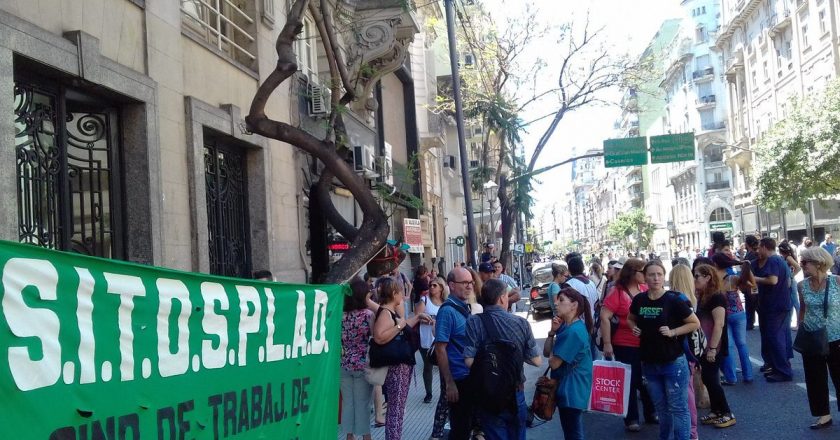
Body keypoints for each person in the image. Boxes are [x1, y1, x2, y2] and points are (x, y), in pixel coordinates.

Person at [628, 260, 701, 440]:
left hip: (673, 362)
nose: (656, 278)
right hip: (650, 363)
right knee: (662, 408)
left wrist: (673, 331)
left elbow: (694, 323)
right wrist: (633, 327)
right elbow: (631, 318)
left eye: (659, 274)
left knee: (678, 408)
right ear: (645, 277)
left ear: (664, 276)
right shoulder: (639, 299)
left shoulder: (673, 300)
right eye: (652, 275)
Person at [464, 279, 542, 439]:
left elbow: (468, 361)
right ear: (501, 298)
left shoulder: (474, 322)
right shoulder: (521, 323)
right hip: (515, 392)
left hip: (489, 394)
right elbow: (537, 361)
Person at [600, 257, 655, 431]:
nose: (646, 275)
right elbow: (604, 316)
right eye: (643, 272)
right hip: (624, 343)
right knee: (629, 381)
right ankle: (631, 418)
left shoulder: (645, 289)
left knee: (646, 380)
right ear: (633, 273)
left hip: (645, 343)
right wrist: (607, 343)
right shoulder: (617, 291)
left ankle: (651, 412)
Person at [371, 278, 428, 440]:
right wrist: (399, 326)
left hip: (399, 364)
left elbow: (400, 325)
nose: (403, 296)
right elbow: (379, 337)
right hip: (396, 366)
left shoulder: (389, 312)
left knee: (397, 407)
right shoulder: (385, 313)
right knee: (396, 408)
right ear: (394, 293)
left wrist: (417, 318)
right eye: (401, 292)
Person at [797, 247, 840, 430]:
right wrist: (801, 329)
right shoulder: (802, 285)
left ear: (818, 263)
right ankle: (824, 415)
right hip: (812, 339)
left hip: (836, 338)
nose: (801, 265)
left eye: (805, 262)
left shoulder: (837, 282)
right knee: (815, 379)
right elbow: (803, 310)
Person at [544, 287, 594, 440]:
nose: (556, 304)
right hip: (570, 388)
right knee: (571, 431)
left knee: (573, 433)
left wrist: (554, 344)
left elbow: (553, 363)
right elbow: (547, 352)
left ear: (574, 305)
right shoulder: (567, 326)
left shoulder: (573, 332)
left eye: (561, 300)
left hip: (571, 389)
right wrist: (552, 332)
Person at [692, 263, 737, 428]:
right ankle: (716, 411)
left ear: (707, 277)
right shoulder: (702, 296)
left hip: (713, 347)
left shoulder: (717, 297)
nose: (694, 279)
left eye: (697, 276)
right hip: (704, 346)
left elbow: (719, 324)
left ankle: (727, 413)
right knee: (707, 379)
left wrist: (712, 348)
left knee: (712, 379)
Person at [434, 267, 476, 440]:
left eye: (471, 282)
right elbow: (440, 348)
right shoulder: (447, 311)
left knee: (467, 427)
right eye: (465, 283)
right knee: (460, 429)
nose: (469, 286)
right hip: (458, 380)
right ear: (451, 285)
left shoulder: (464, 307)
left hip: (469, 377)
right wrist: (449, 383)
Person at [752, 237, 794, 382]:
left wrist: (755, 279)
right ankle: (778, 367)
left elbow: (773, 280)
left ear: (764, 247)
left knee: (776, 338)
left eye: (759, 247)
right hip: (778, 304)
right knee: (777, 337)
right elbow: (787, 281)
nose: (758, 250)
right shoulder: (779, 260)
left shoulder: (773, 260)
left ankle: (783, 371)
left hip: (775, 305)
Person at [711, 250, 755, 386]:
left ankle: (731, 378)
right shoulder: (733, 278)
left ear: (715, 264)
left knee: (728, 346)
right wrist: (745, 266)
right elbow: (751, 284)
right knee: (742, 344)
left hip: (723, 315)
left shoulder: (713, 281)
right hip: (739, 314)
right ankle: (748, 375)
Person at [668, 264, 700, 440]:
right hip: (690, 350)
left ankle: (691, 432)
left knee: (684, 396)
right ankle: (690, 431)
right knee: (686, 393)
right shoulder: (691, 298)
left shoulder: (676, 299)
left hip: (681, 351)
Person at [340, 278, 375, 440]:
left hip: (344, 364)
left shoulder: (341, 316)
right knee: (362, 405)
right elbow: (376, 337)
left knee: (348, 403)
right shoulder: (368, 315)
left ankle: (349, 436)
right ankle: (366, 437)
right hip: (363, 364)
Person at [415, 276, 448, 404]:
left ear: (441, 288)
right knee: (427, 365)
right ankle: (428, 393)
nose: (431, 287)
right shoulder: (424, 300)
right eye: (430, 285)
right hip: (426, 338)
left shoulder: (446, 302)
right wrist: (428, 320)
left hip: (441, 339)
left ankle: (444, 391)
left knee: (443, 366)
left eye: (435, 285)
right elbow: (417, 316)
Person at [566, 256, 600, 321]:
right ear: (582, 268)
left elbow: (567, 308)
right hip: (592, 321)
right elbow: (596, 304)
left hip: (578, 323)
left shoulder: (569, 284)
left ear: (569, 269)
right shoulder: (591, 283)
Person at [743, 235, 760, 330]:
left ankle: (750, 322)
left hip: (752, 282)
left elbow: (750, 269)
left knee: (753, 302)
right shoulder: (751, 253)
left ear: (747, 243)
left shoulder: (752, 254)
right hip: (750, 282)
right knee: (752, 302)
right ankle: (750, 322)